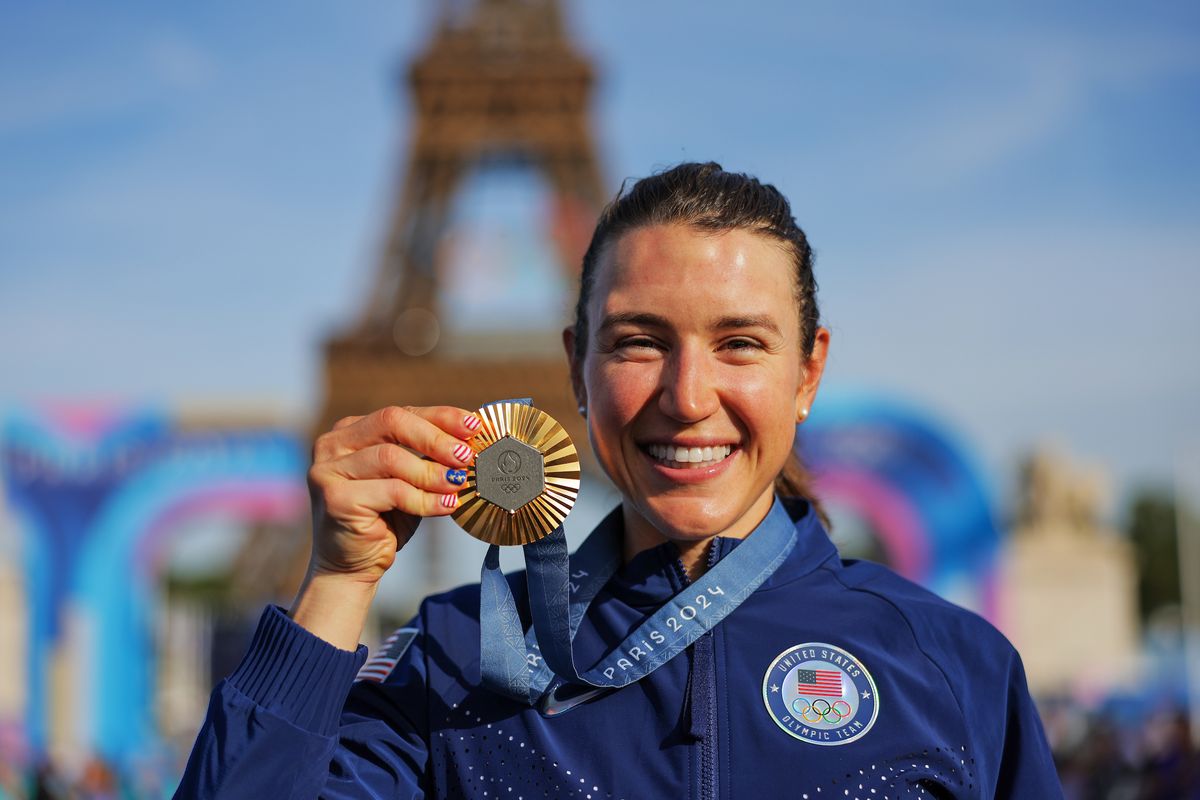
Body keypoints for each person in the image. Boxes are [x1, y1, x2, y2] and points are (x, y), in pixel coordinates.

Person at [175, 162, 1063, 799]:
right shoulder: (455, 655)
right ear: (577, 368)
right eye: (639, 341)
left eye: (741, 343)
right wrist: (338, 582)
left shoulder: (956, 667)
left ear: (808, 373)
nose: (686, 396)